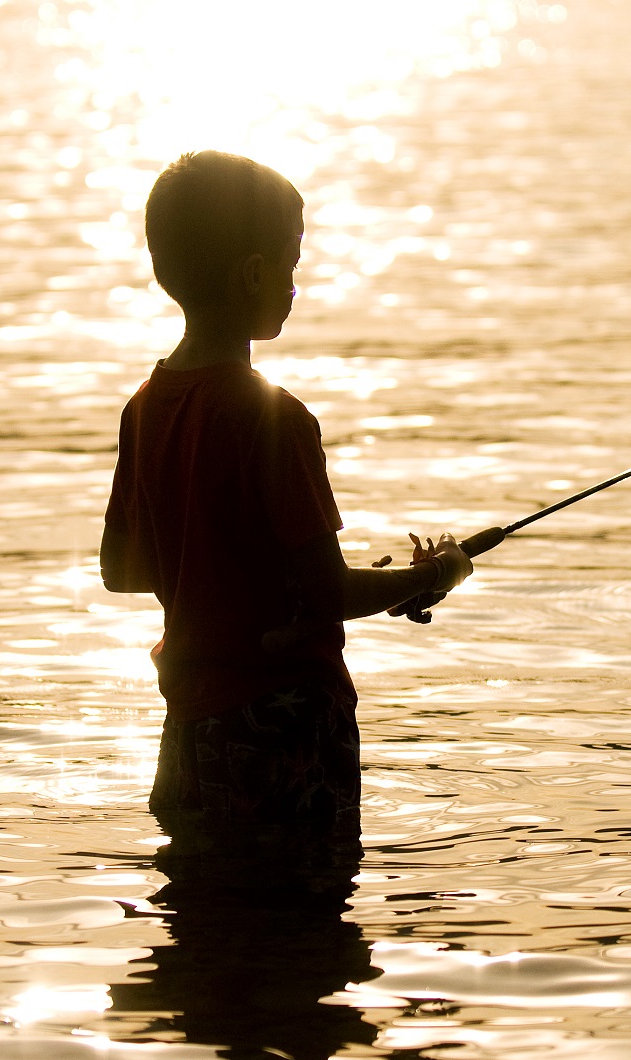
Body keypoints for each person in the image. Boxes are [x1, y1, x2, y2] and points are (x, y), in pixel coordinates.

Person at [100, 150, 473, 830]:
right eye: (291, 264)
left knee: (202, 891)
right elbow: (330, 594)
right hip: (288, 726)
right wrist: (436, 574)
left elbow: (121, 571)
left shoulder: (146, 406)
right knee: (310, 889)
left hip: (189, 732)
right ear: (253, 274)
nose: (296, 286)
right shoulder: (274, 418)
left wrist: (275, 585)